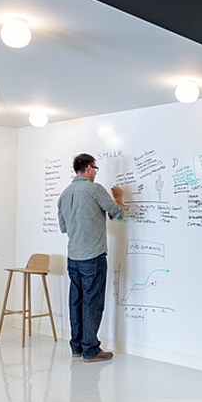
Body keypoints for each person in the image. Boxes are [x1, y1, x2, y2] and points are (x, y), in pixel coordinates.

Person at [57, 153, 124, 363]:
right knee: (92, 303)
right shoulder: (95, 189)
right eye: (94, 168)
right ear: (87, 168)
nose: (95, 172)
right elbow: (117, 213)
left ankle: (76, 346)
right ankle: (91, 350)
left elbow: (63, 228)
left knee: (75, 302)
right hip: (93, 257)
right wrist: (119, 198)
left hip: (73, 257)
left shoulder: (64, 194)